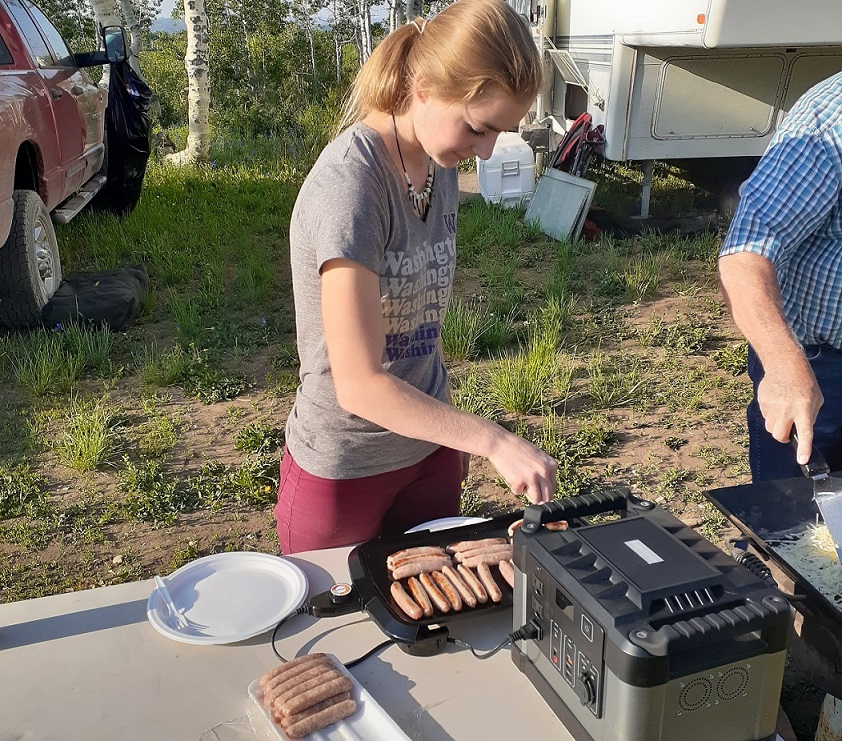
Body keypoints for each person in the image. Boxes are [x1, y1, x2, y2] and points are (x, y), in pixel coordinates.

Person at [274, 0, 558, 553]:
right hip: (346, 465)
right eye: (479, 129)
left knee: (434, 630)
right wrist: (493, 441)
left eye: (500, 132)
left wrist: (459, 443)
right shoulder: (350, 186)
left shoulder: (437, 160)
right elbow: (359, 384)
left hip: (430, 454)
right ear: (423, 87)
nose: (487, 151)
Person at [718, 70, 842, 482]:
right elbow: (744, 256)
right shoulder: (829, 120)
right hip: (819, 368)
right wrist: (784, 366)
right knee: (801, 536)